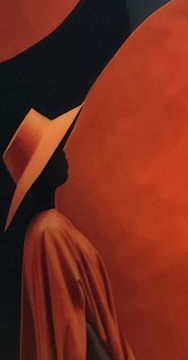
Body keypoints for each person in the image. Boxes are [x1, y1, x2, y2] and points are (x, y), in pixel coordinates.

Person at [4, 108, 134, 360]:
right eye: (53, 151)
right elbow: (74, 325)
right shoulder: (50, 231)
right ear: (42, 169)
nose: (62, 153)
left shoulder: (42, 230)